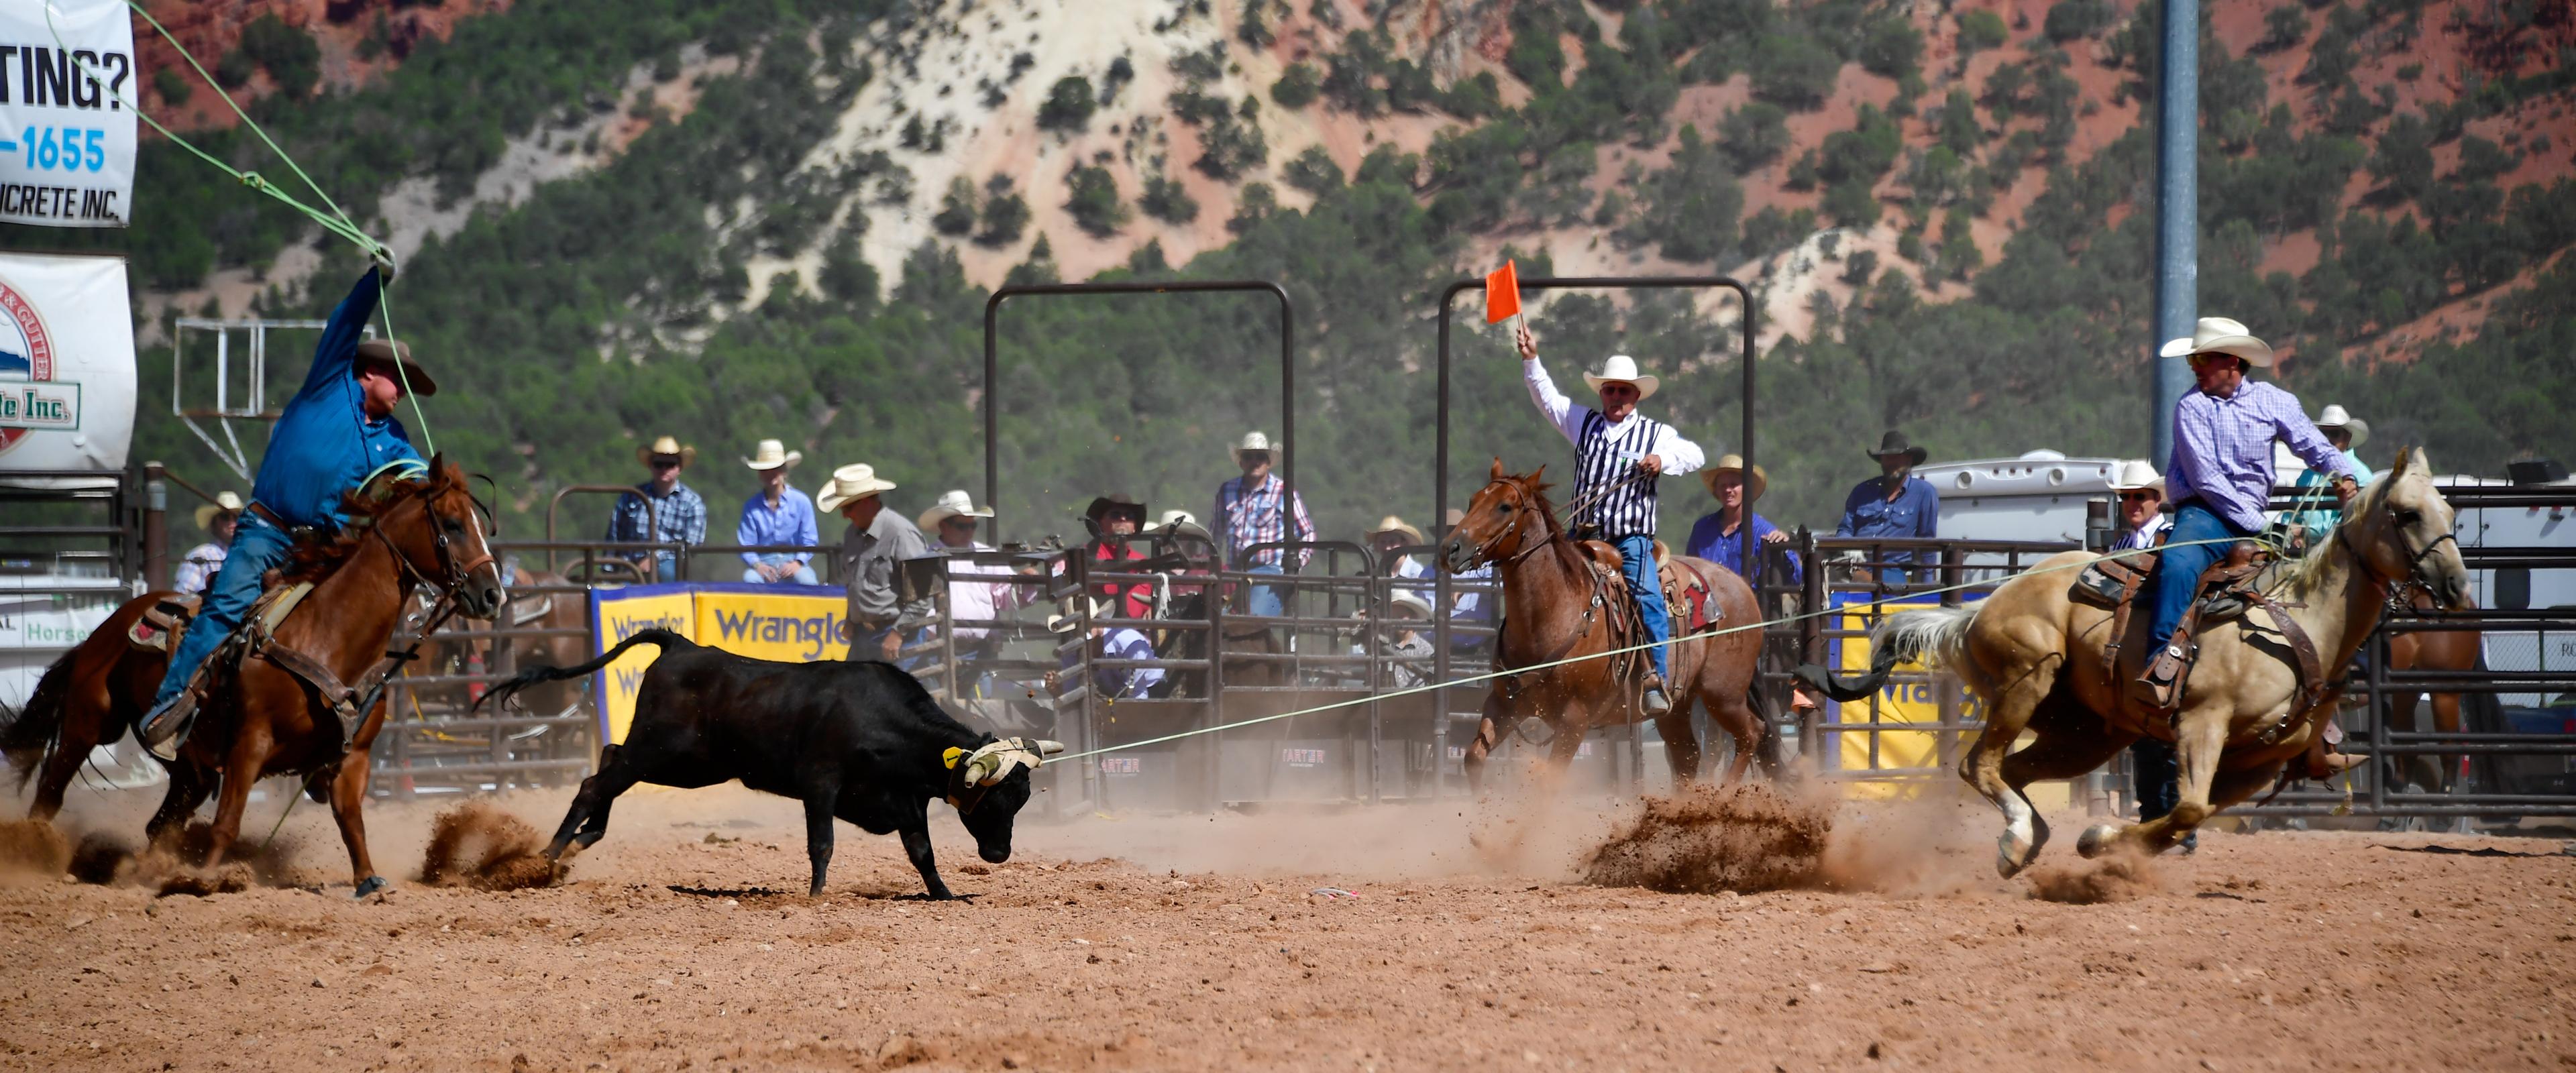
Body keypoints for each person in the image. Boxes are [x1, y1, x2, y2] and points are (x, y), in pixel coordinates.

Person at [142, 265, 433, 755]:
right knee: (227, 605)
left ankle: (336, 741)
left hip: (323, 549)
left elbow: (420, 478)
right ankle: (170, 704)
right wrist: (375, 280)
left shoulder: (395, 440)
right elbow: (345, 320)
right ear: (369, 371)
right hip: (267, 529)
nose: (403, 390)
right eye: (399, 379)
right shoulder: (329, 385)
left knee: (362, 628)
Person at [2133, 316, 2357, 713]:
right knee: (2180, 563)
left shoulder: (2274, 401)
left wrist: (2344, 474)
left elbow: (2314, 445)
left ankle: (2325, 685)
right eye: (2193, 363)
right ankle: (2160, 663)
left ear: (2232, 362)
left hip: (2254, 517)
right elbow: (2206, 480)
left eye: (2203, 361)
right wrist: (2263, 526)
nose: (2195, 369)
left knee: (2318, 581)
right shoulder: (2192, 407)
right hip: (2205, 514)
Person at [1515, 324, 1705, 716]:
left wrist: (1662, 461)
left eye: (1624, 391)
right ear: (1602, 393)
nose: (1617, 396)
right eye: (1610, 389)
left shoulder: (1656, 434)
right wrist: (1532, 358)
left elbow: (1696, 455)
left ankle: (1655, 677)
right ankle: (1530, 665)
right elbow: (1546, 398)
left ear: (1636, 396)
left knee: (1648, 597)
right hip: (1580, 536)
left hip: (1629, 539)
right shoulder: (1582, 422)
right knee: (1540, 582)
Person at [820, 463, 934, 664]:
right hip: (862, 636)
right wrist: (851, 618)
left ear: (865, 502)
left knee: (898, 693)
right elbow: (855, 583)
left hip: (897, 636)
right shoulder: (851, 535)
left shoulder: (902, 533)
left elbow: (922, 594)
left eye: (848, 507)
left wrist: (898, 634)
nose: (845, 515)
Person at [918, 490, 1016, 695]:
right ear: (944, 526)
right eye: (962, 526)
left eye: (973, 525)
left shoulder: (986, 555)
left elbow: (1009, 592)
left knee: (980, 714)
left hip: (978, 651)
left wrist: (1023, 580)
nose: (969, 531)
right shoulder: (926, 558)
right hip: (936, 650)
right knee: (938, 711)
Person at [1212, 431, 1314, 618]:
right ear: (1241, 462)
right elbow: (1216, 534)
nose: (1255, 461)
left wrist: (1296, 564)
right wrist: (1210, 563)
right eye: (1249, 456)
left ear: (1268, 463)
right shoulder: (1227, 490)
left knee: (1253, 619)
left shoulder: (1283, 492)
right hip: (1235, 571)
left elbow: (1307, 533)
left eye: (1260, 457)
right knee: (1218, 619)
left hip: (1271, 572)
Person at [1836, 431, 1939, 586]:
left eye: (1898, 458)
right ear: (1881, 461)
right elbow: (1845, 529)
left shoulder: (1924, 493)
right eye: (1888, 458)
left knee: (1876, 587)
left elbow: (1928, 543)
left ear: (1909, 460)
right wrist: (1850, 546)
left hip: (1893, 570)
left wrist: (1926, 587)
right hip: (1853, 564)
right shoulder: (1862, 491)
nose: (1892, 463)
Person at [1685, 454, 1799, 587]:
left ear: (1747, 489)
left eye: (1733, 485)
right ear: (1716, 490)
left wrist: (1782, 549)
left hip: (1748, 605)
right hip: (1705, 604)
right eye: (1723, 485)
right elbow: (1688, 571)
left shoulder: (1765, 532)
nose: (1728, 490)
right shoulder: (1702, 529)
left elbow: (1795, 578)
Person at [606, 435, 707, 583]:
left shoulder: (692, 503)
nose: (664, 469)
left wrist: (655, 558)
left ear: (679, 468)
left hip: (669, 563)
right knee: (615, 589)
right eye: (659, 464)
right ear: (651, 466)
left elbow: (691, 543)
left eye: (670, 465)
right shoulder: (631, 497)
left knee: (668, 572)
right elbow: (614, 536)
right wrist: (608, 569)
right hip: (629, 563)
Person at [2288, 404, 2375, 550]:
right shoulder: (2308, 475)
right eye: (2323, 434)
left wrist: (2303, 531)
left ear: (2348, 437)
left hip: (2343, 553)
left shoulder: (2362, 475)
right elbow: (2291, 515)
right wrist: (2294, 536)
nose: (2328, 439)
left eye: (2334, 434)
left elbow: (2358, 524)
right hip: (2304, 553)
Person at [735, 439, 818, 584]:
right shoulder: (751, 507)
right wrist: (758, 565)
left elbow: (810, 539)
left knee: (807, 582)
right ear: (760, 474)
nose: (770, 474)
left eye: (775, 469)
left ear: (784, 472)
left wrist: (798, 563)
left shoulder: (801, 502)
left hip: (794, 560)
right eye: (765, 470)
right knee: (750, 580)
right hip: (763, 563)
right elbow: (746, 544)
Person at [1050, 598, 1164, 700]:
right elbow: (1074, 692)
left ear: (1100, 625)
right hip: (1113, 696)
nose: (1080, 636)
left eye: (1087, 629)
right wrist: (1059, 691)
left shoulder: (1127, 641)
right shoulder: (1071, 653)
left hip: (1152, 688)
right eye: (1075, 631)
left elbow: (1137, 691)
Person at [1084, 494, 1155, 620]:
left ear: (1134, 527)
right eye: (1115, 515)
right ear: (1102, 523)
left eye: (1129, 516)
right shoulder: (1089, 553)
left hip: (1143, 630)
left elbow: (1154, 596)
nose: (1123, 519)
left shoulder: (1142, 559)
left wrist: (1152, 608)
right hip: (1103, 628)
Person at [174, 491, 245, 596]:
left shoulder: (250, 554)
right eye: (225, 517)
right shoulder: (200, 555)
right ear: (215, 523)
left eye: (236, 517)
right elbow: (182, 597)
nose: (232, 522)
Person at [2108, 459, 2171, 552]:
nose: (2131, 503)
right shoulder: (2120, 545)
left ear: (2157, 499)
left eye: (2139, 496)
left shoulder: (2172, 536)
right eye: (2125, 497)